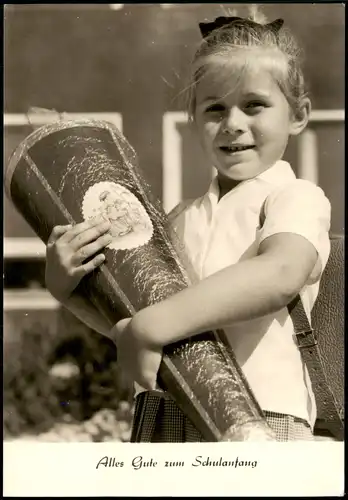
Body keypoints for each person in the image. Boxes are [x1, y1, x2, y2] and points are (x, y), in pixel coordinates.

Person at [45, 11, 332, 442]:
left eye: (254, 104)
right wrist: (66, 288)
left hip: (262, 416)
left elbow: (280, 273)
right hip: (163, 414)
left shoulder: (295, 197)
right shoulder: (177, 219)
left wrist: (150, 326)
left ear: (298, 114)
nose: (233, 122)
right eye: (215, 108)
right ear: (193, 119)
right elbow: (128, 325)